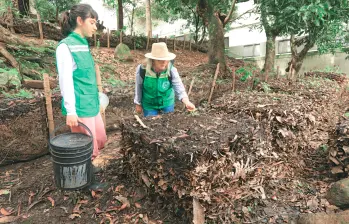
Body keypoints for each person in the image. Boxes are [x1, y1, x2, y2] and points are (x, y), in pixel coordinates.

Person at [56, 4, 107, 161]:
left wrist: (98, 99)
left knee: (100, 139)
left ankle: (90, 174)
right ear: (80, 20)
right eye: (92, 22)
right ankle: (87, 180)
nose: (95, 27)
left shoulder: (83, 44)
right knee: (87, 148)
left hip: (91, 102)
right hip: (79, 107)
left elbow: (86, 77)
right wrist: (71, 111)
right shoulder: (65, 47)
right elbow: (66, 80)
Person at [134, 42, 195, 116]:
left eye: (166, 60)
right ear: (153, 60)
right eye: (160, 60)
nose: (164, 63)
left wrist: (187, 102)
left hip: (167, 102)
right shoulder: (142, 70)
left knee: (168, 123)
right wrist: (138, 103)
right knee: (151, 124)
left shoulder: (171, 70)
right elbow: (138, 87)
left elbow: (178, 86)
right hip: (149, 104)